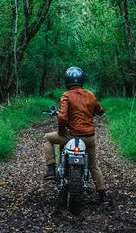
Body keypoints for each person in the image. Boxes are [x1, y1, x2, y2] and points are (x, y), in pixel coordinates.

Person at [43, 66, 108, 203]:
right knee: (93, 165)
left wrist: (61, 131)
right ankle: (103, 195)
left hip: (72, 136)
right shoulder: (90, 95)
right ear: (81, 80)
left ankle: (51, 168)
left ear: (67, 80)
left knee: (47, 138)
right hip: (89, 137)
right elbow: (100, 111)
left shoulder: (66, 95)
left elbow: (62, 117)